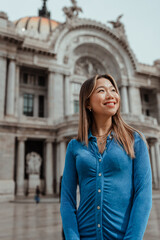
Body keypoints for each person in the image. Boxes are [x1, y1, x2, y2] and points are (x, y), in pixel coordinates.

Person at [60, 74, 152, 240]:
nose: (111, 95)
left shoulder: (135, 140)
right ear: (87, 103)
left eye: (113, 90)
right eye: (102, 90)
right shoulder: (75, 146)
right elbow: (67, 200)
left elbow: (143, 197)